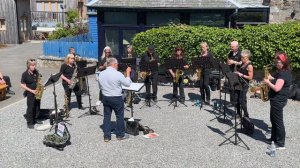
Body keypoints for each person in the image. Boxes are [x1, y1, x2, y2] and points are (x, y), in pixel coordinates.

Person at [98, 57, 132, 142]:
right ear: (114, 64)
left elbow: (100, 87)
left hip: (105, 97)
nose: (118, 66)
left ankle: (106, 136)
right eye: (117, 64)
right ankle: (120, 135)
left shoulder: (101, 74)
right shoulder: (118, 74)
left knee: (106, 116)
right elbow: (128, 84)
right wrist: (128, 73)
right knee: (119, 116)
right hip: (116, 98)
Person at [264, 52, 292, 150]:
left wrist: (267, 82)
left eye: (278, 62)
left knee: (278, 121)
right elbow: (275, 79)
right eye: (276, 61)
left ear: (283, 62)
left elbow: (276, 88)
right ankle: (273, 138)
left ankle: (280, 143)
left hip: (278, 100)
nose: (276, 63)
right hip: (276, 99)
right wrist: (270, 78)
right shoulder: (282, 71)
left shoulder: (283, 74)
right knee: (273, 119)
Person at [20, 59, 42, 129]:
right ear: (28, 66)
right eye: (32, 65)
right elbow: (22, 85)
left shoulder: (36, 72)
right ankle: (29, 122)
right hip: (30, 93)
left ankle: (36, 119)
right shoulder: (25, 74)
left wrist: (40, 88)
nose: (34, 67)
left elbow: (39, 80)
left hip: (37, 92)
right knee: (30, 107)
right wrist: (31, 91)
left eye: (35, 65)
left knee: (37, 106)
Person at [234, 50, 253, 118]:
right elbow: (237, 63)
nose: (241, 59)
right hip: (238, 83)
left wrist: (241, 74)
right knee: (236, 99)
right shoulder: (242, 63)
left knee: (242, 100)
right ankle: (238, 113)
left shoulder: (249, 66)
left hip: (244, 84)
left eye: (243, 57)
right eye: (241, 57)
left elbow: (250, 77)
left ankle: (246, 115)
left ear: (247, 57)